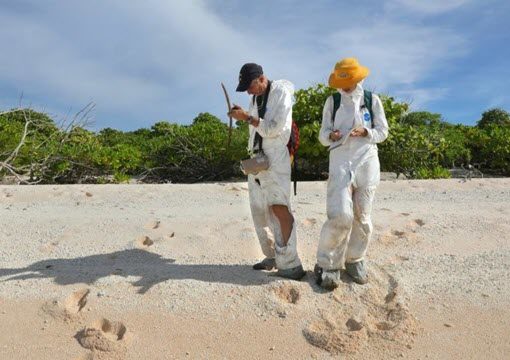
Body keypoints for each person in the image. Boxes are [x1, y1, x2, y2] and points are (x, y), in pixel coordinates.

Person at [315, 58, 389, 290]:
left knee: (362, 216)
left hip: (367, 159)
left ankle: (355, 259)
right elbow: (322, 135)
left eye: (349, 81)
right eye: (342, 81)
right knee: (340, 214)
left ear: (358, 78)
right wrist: (332, 136)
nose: (346, 86)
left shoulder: (372, 100)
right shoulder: (332, 100)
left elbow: (383, 132)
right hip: (339, 159)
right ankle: (328, 264)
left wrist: (366, 131)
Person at [228, 63, 305, 280]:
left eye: (250, 86)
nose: (248, 92)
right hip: (258, 158)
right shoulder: (255, 97)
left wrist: (246, 118)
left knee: (278, 207)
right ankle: (272, 256)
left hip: (276, 158)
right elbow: (256, 130)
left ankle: (291, 265)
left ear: (262, 79)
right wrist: (244, 115)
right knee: (258, 209)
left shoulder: (280, 92)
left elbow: (274, 128)